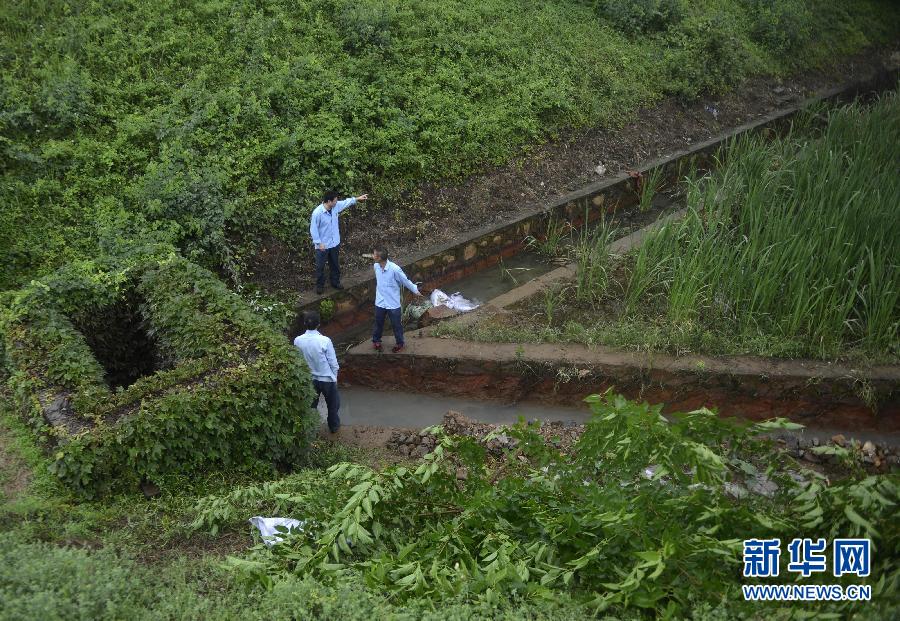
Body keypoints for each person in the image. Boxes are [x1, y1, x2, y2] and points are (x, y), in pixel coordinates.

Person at [309, 190, 368, 294]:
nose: (337, 202)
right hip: (322, 245)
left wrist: (358, 199)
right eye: (335, 201)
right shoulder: (317, 213)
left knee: (335, 265)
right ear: (329, 201)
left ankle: (335, 282)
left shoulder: (335, 206)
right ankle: (320, 285)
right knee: (320, 266)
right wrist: (318, 243)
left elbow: (346, 202)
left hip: (334, 243)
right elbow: (313, 229)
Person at [293, 311, 341, 433]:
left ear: (304, 323)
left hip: (310, 379)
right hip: (327, 380)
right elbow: (333, 363)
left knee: (311, 406)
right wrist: (334, 378)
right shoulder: (325, 341)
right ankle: (334, 427)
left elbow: (298, 359)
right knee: (333, 405)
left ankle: (311, 429)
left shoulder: (297, 340)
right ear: (318, 324)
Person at [372, 247, 422, 353]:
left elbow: (405, 280)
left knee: (396, 325)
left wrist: (415, 290)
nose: (373, 256)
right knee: (378, 322)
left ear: (380, 258)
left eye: (374, 255)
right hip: (380, 302)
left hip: (393, 303)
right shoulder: (376, 266)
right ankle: (376, 341)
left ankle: (400, 343)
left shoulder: (395, 269)